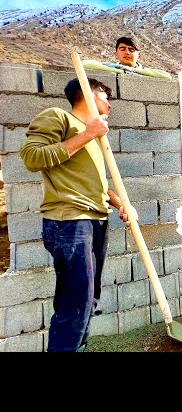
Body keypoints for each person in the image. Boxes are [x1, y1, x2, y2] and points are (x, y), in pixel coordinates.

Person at [19, 78, 133, 352]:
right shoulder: (59, 118)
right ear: (88, 95)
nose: (110, 104)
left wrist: (120, 204)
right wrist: (86, 135)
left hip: (96, 219)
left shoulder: (94, 135)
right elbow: (31, 157)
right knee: (76, 303)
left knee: (89, 300)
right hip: (70, 221)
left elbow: (96, 183)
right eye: (105, 96)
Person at [82, 36, 172, 79]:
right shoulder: (109, 68)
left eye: (131, 50)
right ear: (116, 54)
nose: (127, 52)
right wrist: (121, 70)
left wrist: (132, 71)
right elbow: (83, 64)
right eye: (122, 49)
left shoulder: (147, 73)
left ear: (139, 56)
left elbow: (167, 76)